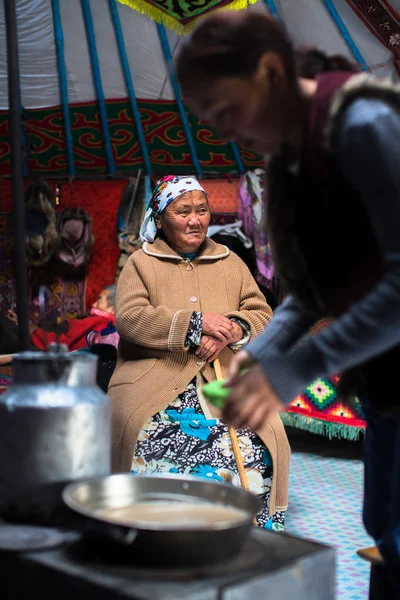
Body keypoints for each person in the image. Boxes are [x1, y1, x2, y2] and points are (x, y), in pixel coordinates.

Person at [176, 12, 400, 593]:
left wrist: (293, 369)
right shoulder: (294, 160)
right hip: (388, 378)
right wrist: (259, 354)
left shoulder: (364, 125)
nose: (226, 132)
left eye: (229, 112)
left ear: (270, 70)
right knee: (386, 527)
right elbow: (314, 289)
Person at [108, 175, 290, 530]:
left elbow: (262, 312)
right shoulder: (141, 264)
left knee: (261, 441)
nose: (195, 219)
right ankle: (154, 525)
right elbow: (130, 319)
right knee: (145, 435)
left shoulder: (230, 261)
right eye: (183, 211)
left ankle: (247, 525)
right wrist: (194, 324)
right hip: (153, 376)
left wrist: (233, 329)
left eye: (202, 210)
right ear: (159, 219)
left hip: (222, 375)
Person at [0, 285, 118, 353]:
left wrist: (33, 331)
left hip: (47, 350)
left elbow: (64, 343)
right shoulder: (108, 328)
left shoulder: (100, 321)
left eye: (99, 300)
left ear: (112, 310)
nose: (93, 304)